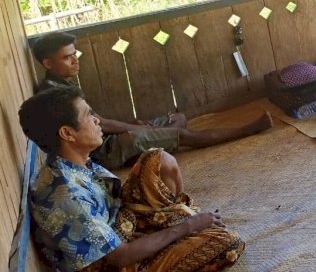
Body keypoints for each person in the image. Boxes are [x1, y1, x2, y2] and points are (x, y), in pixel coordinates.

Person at [19, 86, 245, 272]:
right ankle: (181, 226)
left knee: (158, 160)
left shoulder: (72, 163)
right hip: (113, 270)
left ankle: (177, 222)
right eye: (89, 116)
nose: (97, 121)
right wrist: (188, 226)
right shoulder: (68, 195)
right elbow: (119, 256)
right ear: (67, 133)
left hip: (120, 223)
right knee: (226, 243)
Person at [32, 32, 273, 170]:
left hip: (109, 136)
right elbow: (101, 125)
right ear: (48, 64)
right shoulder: (56, 96)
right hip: (105, 150)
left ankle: (150, 146)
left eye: (75, 54)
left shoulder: (63, 82)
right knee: (186, 135)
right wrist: (137, 128)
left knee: (179, 118)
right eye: (67, 57)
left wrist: (137, 126)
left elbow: (99, 122)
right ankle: (248, 129)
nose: (75, 60)